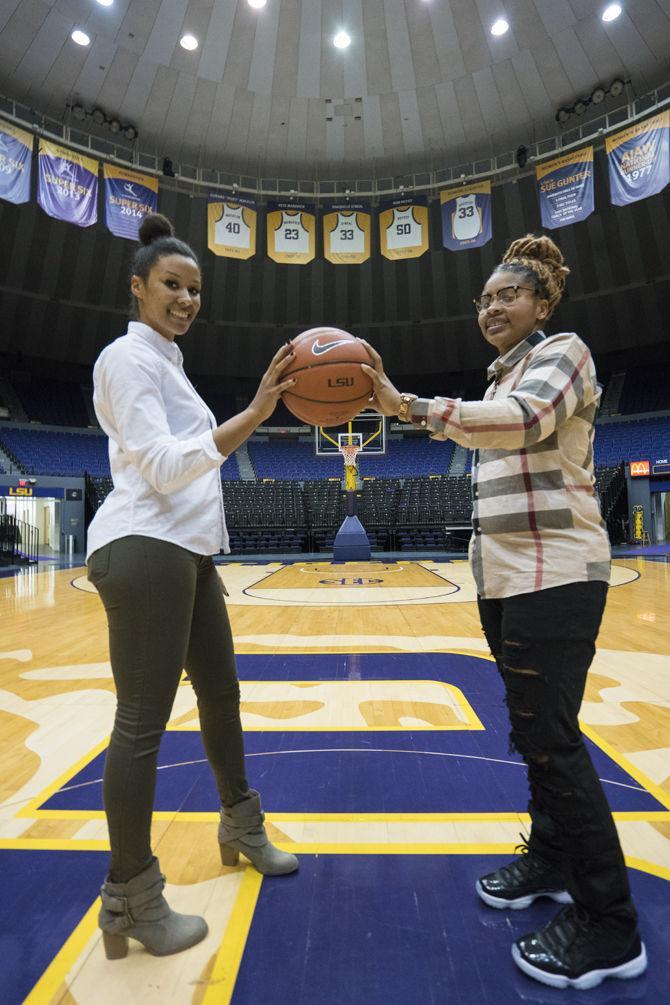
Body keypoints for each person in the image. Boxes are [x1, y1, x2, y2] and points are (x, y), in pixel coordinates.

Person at [360, 234, 646, 992]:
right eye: (484, 299)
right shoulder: (501, 376)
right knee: (535, 733)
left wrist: (409, 405)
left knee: (550, 737)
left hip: (556, 576)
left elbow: (525, 420)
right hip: (510, 579)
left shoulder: (565, 354)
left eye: (507, 295)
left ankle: (610, 925)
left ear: (543, 304)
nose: (491, 306)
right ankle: (552, 860)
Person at [86, 213, 299, 961]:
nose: (185, 299)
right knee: (143, 721)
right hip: (144, 545)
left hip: (187, 550)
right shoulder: (126, 358)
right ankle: (130, 898)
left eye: (195, 289)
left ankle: (240, 825)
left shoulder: (167, 364)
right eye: (172, 285)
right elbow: (168, 466)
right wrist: (256, 413)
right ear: (138, 286)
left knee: (222, 692)